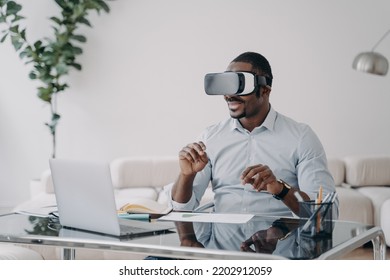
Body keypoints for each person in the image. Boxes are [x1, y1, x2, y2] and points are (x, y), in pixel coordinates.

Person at [168, 51, 338, 217]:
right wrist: (186, 176)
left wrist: (280, 189)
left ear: (265, 90)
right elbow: (181, 209)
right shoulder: (210, 137)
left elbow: (323, 213)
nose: (229, 95)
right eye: (227, 86)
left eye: (240, 85)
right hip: (221, 242)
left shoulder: (301, 137)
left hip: (280, 240)